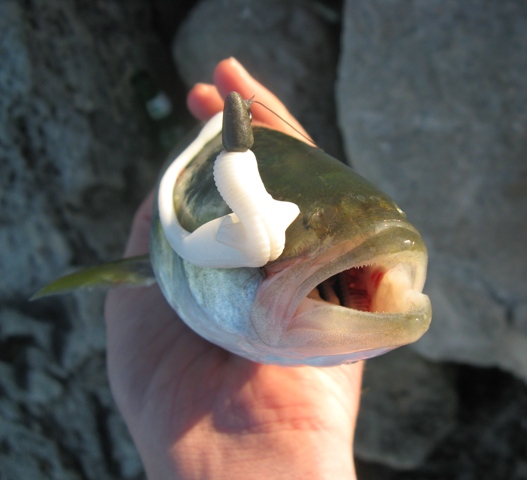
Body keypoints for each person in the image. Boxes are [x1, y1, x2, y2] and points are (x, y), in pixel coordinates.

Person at [105, 57, 363, 480]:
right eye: (269, 265)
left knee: (186, 115)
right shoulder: (190, 237)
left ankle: (152, 101)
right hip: (201, 174)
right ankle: (150, 98)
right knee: (185, 118)